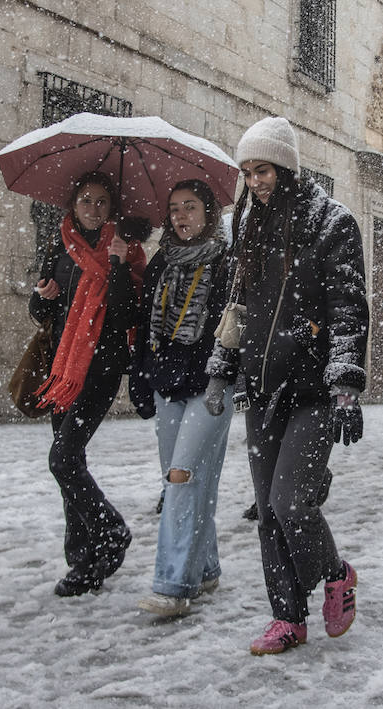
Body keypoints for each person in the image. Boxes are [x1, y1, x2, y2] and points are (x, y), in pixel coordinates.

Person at [204, 117, 367, 656]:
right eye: (247, 172)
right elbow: (237, 307)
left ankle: (336, 571)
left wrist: (345, 380)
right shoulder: (245, 225)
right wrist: (221, 367)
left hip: (314, 388)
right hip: (261, 386)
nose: (255, 181)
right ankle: (287, 618)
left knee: (291, 501)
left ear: (287, 167)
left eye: (264, 169)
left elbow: (348, 307)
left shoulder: (331, 223)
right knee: (266, 511)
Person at [30, 171, 147, 597]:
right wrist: (41, 297)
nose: (93, 209)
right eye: (85, 201)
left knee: (63, 460)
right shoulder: (61, 247)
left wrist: (116, 264)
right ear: (73, 205)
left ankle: (111, 531)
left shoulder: (127, 252)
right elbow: (42, 312)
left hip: (100, 371)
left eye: (101, 202)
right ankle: (83, 563)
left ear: (111, 209)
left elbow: (125, 316)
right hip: (63, 370)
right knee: (70, 465)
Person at [128, 180, 232, 618]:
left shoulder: (227, 263)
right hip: (166, 382)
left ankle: (173, 585)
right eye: (174, 209)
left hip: (211, 386)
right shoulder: (161, 262)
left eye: (190, 207)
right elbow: (140, 324)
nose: (181, 216)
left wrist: (222, 372)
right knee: (190, 481)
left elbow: (236, 326)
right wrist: (140, 377)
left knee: (181, 476)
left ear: (208, 213)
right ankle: (205, 567)